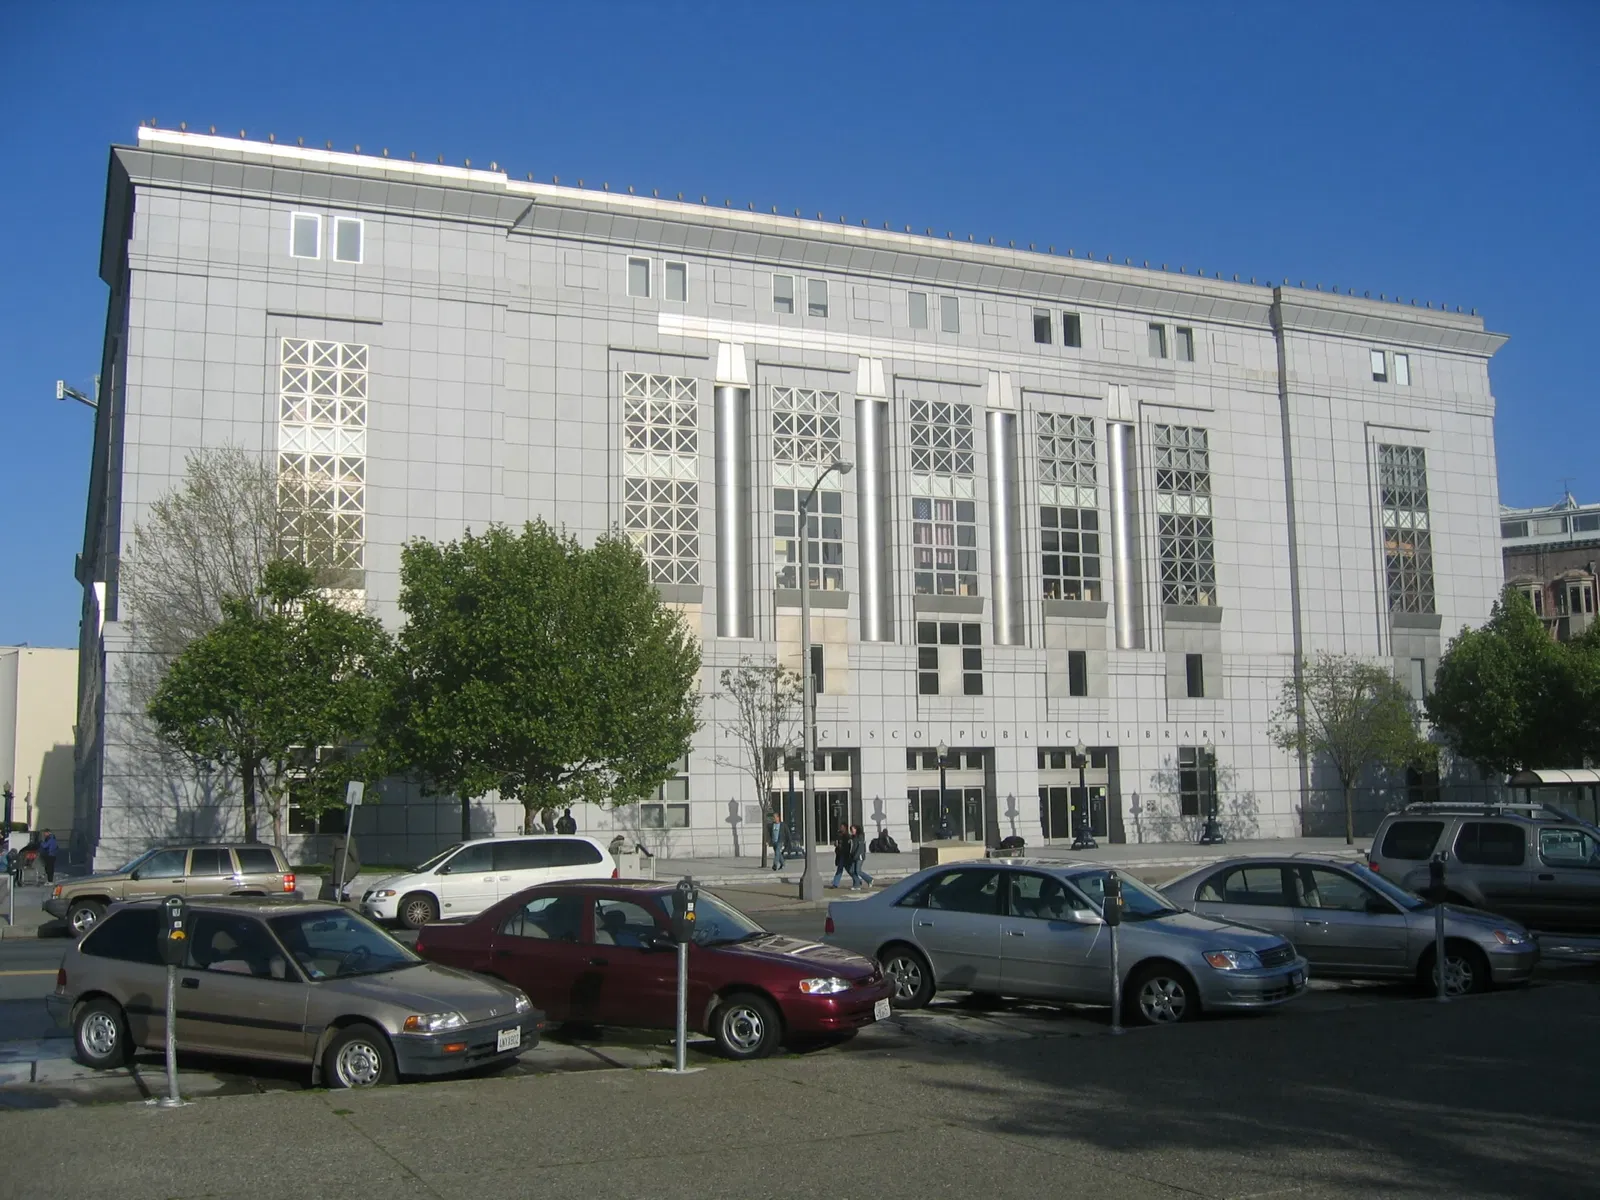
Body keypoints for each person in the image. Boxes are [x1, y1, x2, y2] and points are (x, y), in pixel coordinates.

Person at [849, 823, 874, 891]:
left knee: (858, 871)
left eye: (853, 829)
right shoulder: (852, 837)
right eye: (851, 829)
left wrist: (856, 855)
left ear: (857, 829)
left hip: (859, 856)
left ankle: (869, 879)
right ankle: (857, 884)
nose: (852, 831)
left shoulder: (860, 836)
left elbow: (860, 848)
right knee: (851, 871)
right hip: (853, 856)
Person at [827, 825, 852, 889]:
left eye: (842, 827)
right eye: (840, 827)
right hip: (840, 854)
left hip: (845, 854)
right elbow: (836, 843)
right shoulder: (838, 835)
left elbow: (848, 846)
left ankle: (835, 883)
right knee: (847, 869)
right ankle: (857, 880)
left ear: (845, 828)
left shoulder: (847, 836)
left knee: (841, 869)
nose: (841, 828)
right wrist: (836, 844)